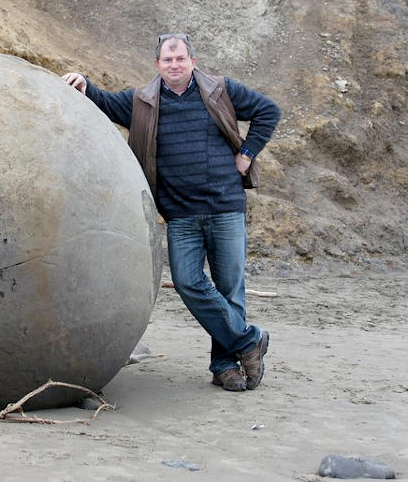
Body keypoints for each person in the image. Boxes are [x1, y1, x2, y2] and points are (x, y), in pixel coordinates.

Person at [62, 33, 280, 392]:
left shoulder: (221, 90)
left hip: (225, 208)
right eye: (168, 60)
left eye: (180, 59)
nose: (174, 65)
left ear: (193, 61)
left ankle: (225, 366)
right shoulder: (144, 101)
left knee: (229, 290)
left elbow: (268, 111)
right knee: (187, 282)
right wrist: (84, 83)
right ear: (158, 65)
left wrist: (248, 153)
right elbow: (102, 103)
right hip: (180, 215)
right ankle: (249, 340)